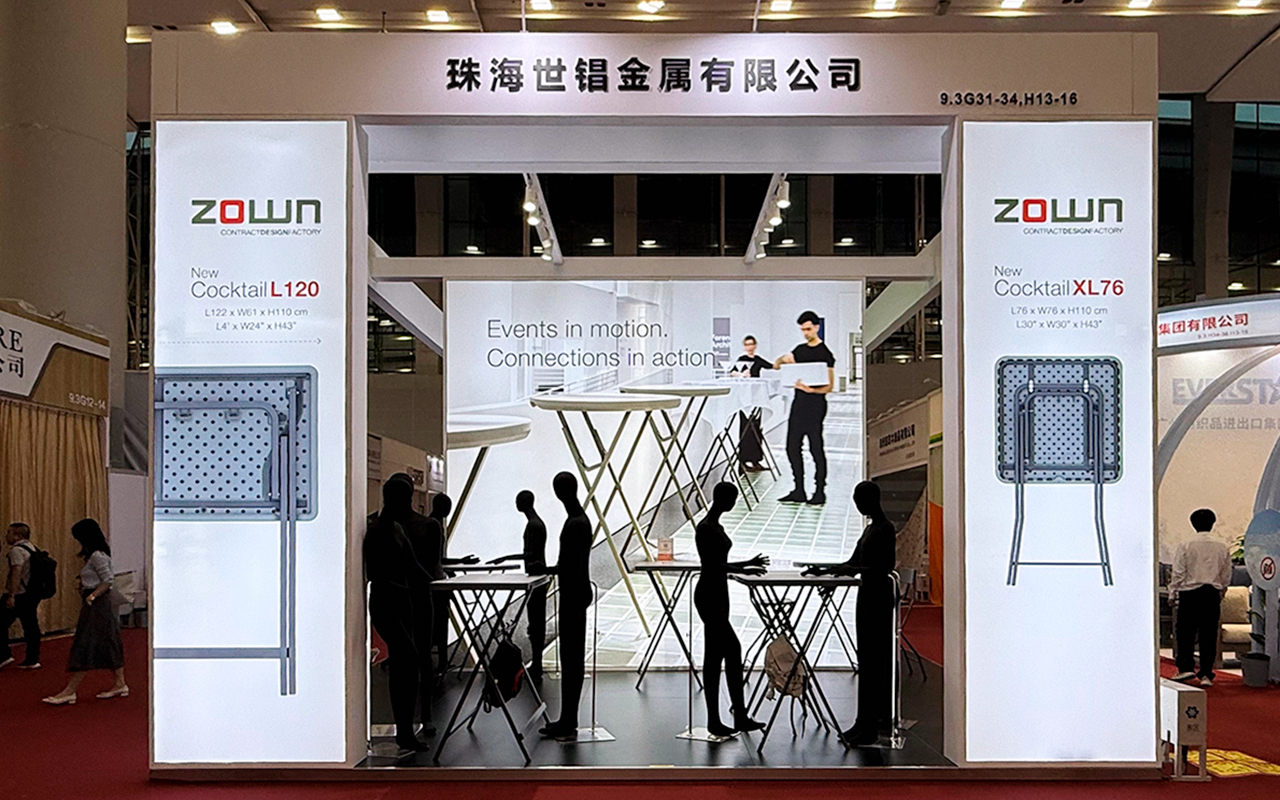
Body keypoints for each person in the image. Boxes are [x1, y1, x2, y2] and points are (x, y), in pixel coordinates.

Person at [805, 481, 896, 746]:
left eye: (859, 499)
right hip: (866, 595)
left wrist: (848, 571)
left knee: (875, 661)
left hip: (878, 597)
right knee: (865, 660)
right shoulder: (870, 529)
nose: (857, 505)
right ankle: (863, 721)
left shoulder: (885, 529)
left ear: (872, 499)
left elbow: (883, 567)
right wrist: (825, 571)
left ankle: (872, 725)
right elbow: (853, 563)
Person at [365, 480, 435, 752]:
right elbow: (377, 574)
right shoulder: (377, 530)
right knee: (407, 658)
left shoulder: (397, 528)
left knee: (406, 663)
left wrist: (436, 585)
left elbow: (413, 566)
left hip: (402, 600)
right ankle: (404, 731)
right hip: (387, 603)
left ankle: (405, 730)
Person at [694, 482, 768, 737]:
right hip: (709, 595)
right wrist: (742, 568)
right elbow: (711, 565)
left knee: (717, 654)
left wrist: (745, 563)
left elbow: (718, 563)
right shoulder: (705, 528)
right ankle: (729, 717)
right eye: (732, 498)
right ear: (721, 498)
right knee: (728, 651)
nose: (734, 503)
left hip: (718, 594)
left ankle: (731, 716)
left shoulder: (715, 527)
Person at [42, 520, 126, 705]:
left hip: (96, 603)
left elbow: (107, 580)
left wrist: (93, 595)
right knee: (108, 640)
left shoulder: (97, 556)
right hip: (98, 601)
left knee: (85, 643)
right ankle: (120, 683)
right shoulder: (98, 555)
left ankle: (70, 690)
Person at [540, 471, 592, 739]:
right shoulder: (578, 520)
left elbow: (570, 566)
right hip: (575, 593)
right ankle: (567, 718)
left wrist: (548, 569)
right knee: (571, 657)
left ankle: (569, 719)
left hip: (574, 594)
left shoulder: (576, 523)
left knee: (571, 657)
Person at [773, 310, 836, 505]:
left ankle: (819, 490)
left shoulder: (825, 354)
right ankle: (798, 489)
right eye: (803, 330)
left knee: (815, 447)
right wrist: (783, 359)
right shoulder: (799, 350)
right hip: (799, 403)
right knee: (792, 446)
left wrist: (811, 390)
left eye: (808, 329)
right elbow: (776, 366)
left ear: (816, 327)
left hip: (815, 405)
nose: (806, 333)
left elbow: (829, 386)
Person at [489, 490, 552, 682]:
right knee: (536, 623)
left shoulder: (533, 525)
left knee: (536, 623)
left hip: (536, 579)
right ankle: (537, 664)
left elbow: (531, 555)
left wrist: (506, 558)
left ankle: (537, 665)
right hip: (537, 578)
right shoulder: (536, 523)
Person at [1171, 509, 1232, 687]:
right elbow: (1226, 573)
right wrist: (1222, 591)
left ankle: (1185, 668)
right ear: (1213, 523)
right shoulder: (1222, 546)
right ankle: (1206, 673)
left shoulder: (1185, 544)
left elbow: (1179, 572)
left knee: (1185, 632)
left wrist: (1173, 592)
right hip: (1211, 593)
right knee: (1209, 634)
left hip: (1189, 593)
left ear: (1193, 524)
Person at [421, 493, 479, 675]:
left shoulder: (432, 523)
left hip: (435, 578)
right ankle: (442, 661)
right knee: (440, 621)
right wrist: (459, 562)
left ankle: (441, 661)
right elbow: (437, 558)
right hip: (436, 581)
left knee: (438, 621)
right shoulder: (434, 525)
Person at [1, 523, 43, 670]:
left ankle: (4, 655)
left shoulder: (17, 551)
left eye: (9, 532)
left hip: (19, 594)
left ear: (18, 535)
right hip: (30, 593)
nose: (6, 535)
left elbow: (16, 573)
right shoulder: (32, 548)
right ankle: (32, 658)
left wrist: (11, 595)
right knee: (31, 625)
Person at [731, 335, 774, 472]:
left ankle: (756, 460)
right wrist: (741, 375)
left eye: (751, 344)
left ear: (755, 345)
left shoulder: (758, 360)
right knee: (745, 427)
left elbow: (772, 366)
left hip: (756, 397)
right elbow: (732, 372)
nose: (749, 347)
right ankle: (743, 461)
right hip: (745, 398)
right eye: (747, 344)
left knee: (757, 427)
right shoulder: (741, 360)